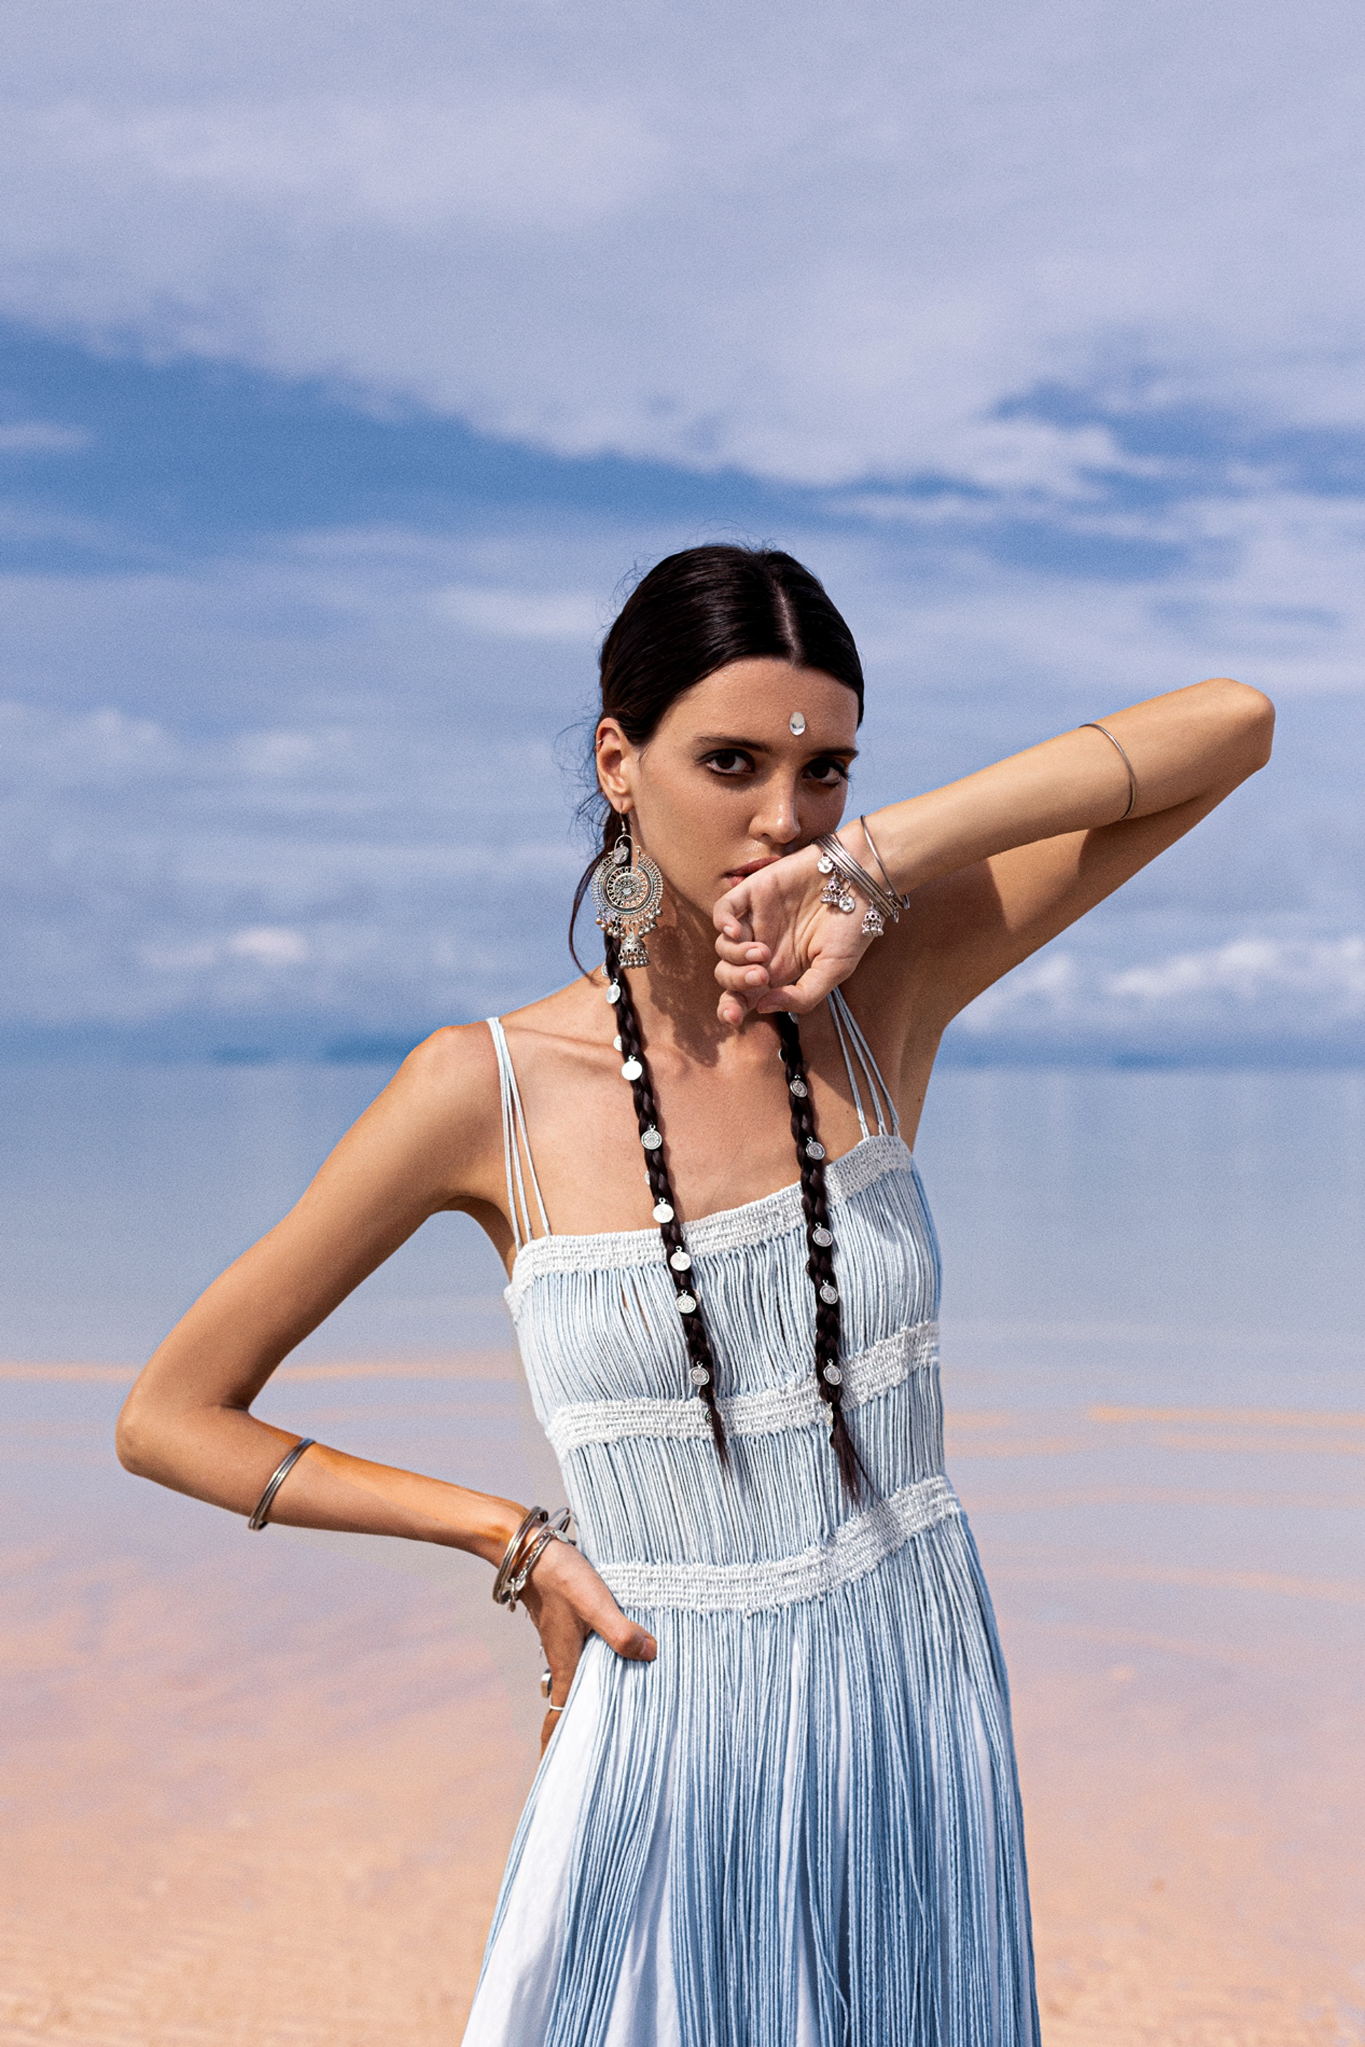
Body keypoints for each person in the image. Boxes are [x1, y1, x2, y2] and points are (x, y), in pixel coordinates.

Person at [116, 544, 1273, 2044]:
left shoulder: (878, 999)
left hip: (916, 1699)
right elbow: (170, 1414)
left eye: (826, 772)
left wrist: (884, 858)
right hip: (668, 1725)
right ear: (619, 759)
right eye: (729, 762)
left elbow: (1232, 723)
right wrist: (510, 1539)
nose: (780, 820)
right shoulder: (486, 1091)